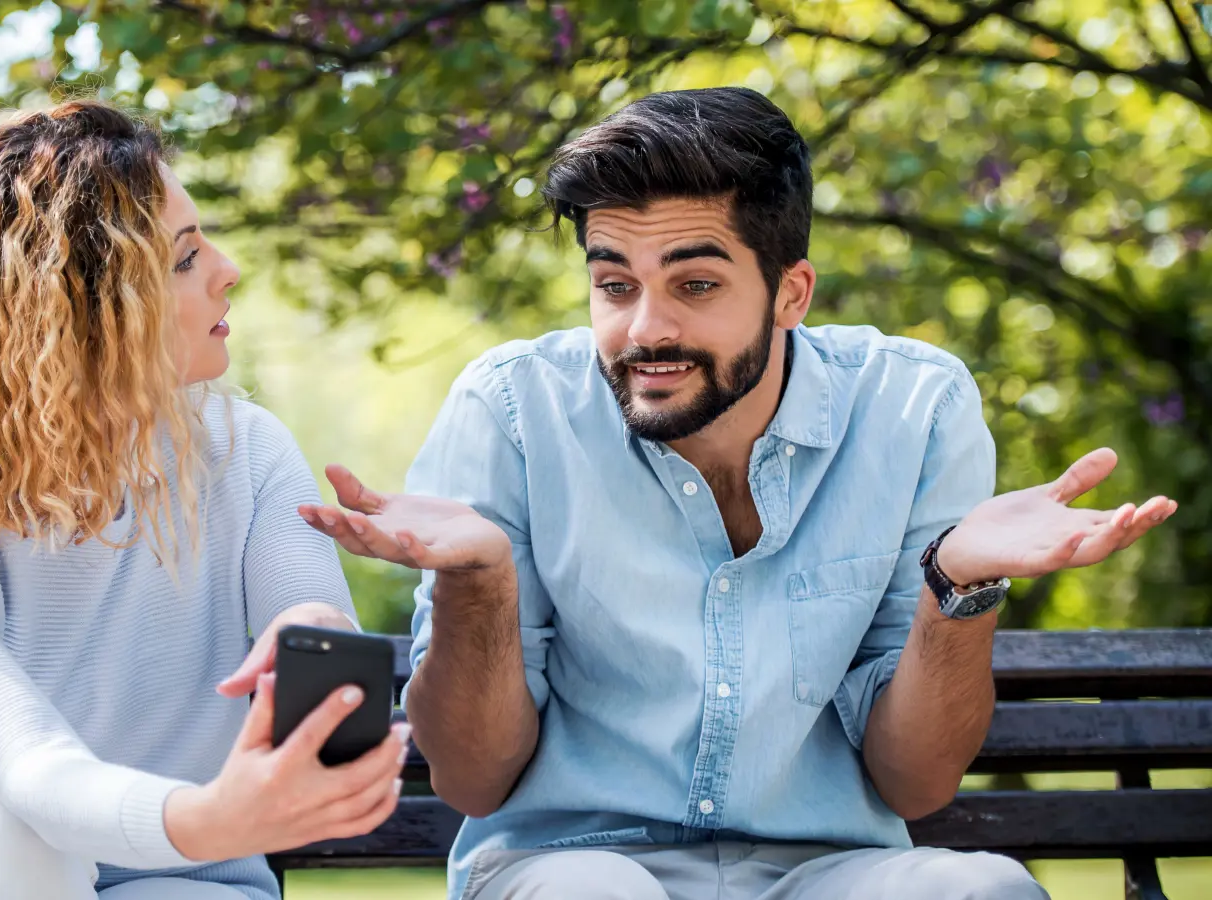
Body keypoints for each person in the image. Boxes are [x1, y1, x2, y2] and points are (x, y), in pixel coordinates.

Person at [299, 87, 1176, 900]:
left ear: (790, 293)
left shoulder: (917, 407)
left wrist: (960, 585)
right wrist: (478, 582)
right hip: (569, 864)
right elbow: (472, 780)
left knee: (981, 891)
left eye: (696, 284)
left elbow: (915, 783)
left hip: (829, 870)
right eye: (614, 284)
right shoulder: (511, 410)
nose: (645, 328)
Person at [0, 100, 408, 900]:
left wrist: (313, 651)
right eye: (184, 259)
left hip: (181, 877)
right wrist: (210, 819)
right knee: (19, 840)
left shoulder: (247, 446)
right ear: (80, 310)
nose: (227, 270)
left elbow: (309, 612)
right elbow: (33, 772)